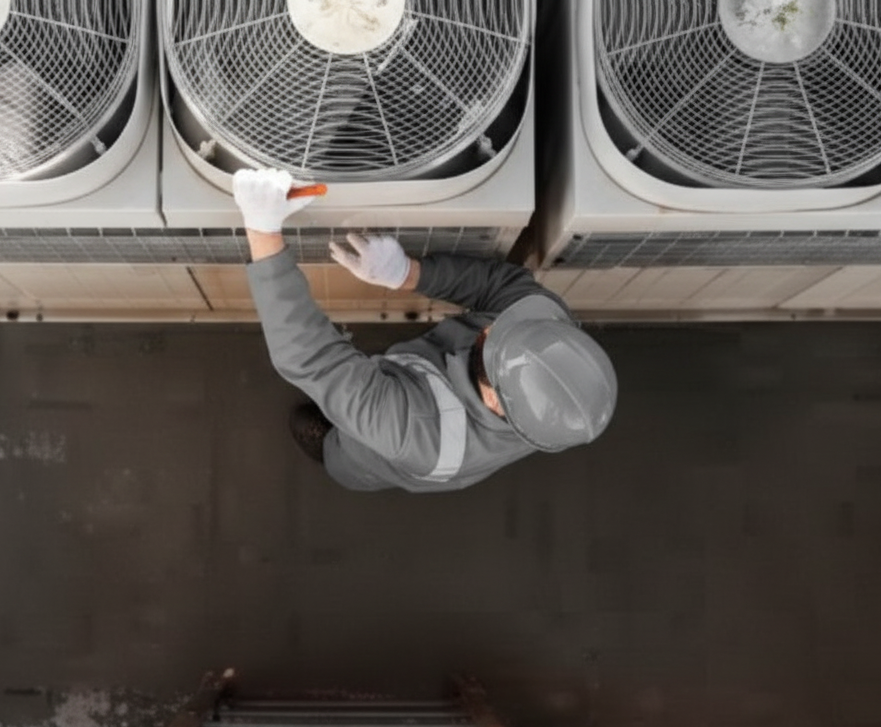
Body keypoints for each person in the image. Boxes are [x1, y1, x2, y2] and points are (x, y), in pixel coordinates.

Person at [234, 168, 618, 493]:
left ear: (497, 400)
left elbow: (312, 359)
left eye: (490, 344)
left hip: (375, 456)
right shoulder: (545, 326)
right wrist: (408, 274)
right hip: (409, 401)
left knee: (347, 452)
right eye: (502, 327)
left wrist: (262, 230)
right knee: (353, 399)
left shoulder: (416, 435)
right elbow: (499, 286)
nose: (488, 329)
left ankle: (327, 444)